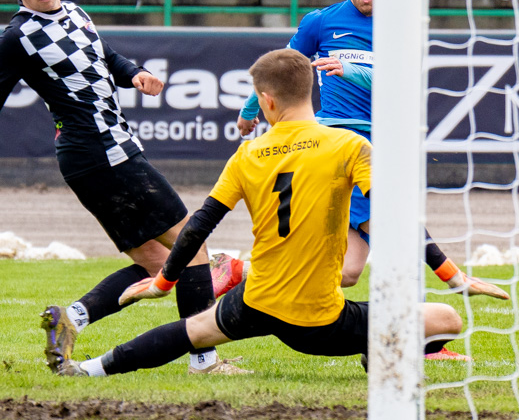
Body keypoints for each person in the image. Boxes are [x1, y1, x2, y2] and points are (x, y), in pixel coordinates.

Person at [0, 0, 243, 376]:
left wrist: (135, 73)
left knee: (160, 266)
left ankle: (71, 319)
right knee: (193, 247)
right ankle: (204, 362)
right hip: (103, 154)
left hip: (97, 158)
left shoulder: (77, 14)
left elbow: (106, 59)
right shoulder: (17, 38)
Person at [58, 48, 465, 378]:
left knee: (193, 332)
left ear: (266, 101)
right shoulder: (349, 145)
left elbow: (199, 225)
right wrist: (450, 273)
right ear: (311, 91)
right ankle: (379, 348)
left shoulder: (247, 153)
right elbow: (394, 220)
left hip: (256, 303)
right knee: (447, 318)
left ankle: (87, 370)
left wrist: (163, 283)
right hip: (321, 321)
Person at [231, 0, 507, 332]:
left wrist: (352, 69)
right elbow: (280, 69)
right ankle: (425, 339)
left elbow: (400, 84)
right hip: (340, 148)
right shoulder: (321, 22)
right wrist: (249, 110)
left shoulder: (402, 28)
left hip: (385, 146)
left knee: (345, 271)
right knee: (400, 242)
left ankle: (241, 271)